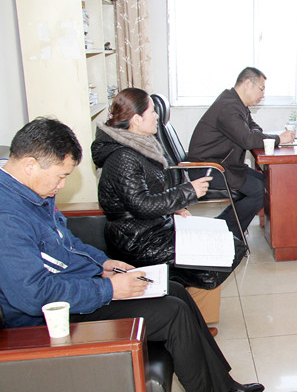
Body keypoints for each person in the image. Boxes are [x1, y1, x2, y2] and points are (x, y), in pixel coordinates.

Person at [0, 118, 264, 392]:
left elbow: (66, 244)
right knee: (172, 312)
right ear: (30, 165)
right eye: (61, 177)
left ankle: (222, 383)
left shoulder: (32, 194)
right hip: (51, 319)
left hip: (76, 289)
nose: (61, 186)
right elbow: (32, 295)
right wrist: (111, 289)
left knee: (174, 290)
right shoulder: (8, 217)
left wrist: (103, 264)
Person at [92, 87, 245, 295]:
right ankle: (175, 292)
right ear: (137, 119)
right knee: (227, 250)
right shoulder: (123, 157)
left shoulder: (139, 146)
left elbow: (146, 196)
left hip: (150, 227)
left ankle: (177, 291)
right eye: (152, 111)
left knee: (228, 245)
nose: (157, 116)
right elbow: (142, 205)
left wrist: (173, 208)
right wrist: (188, 192)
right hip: (137, 240)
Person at [187, 67, 294, 238]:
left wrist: (254, 135)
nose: (263, 95)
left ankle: (221, 225)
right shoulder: (228, 107)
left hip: (225, 165)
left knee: (269, 182)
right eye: (261, 89)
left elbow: (254, 129)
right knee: (259, 189)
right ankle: (226, 233)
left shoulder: (236, 103)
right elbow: (248, 139)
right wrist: (279, 138)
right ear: (248, 84)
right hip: (209, 169)